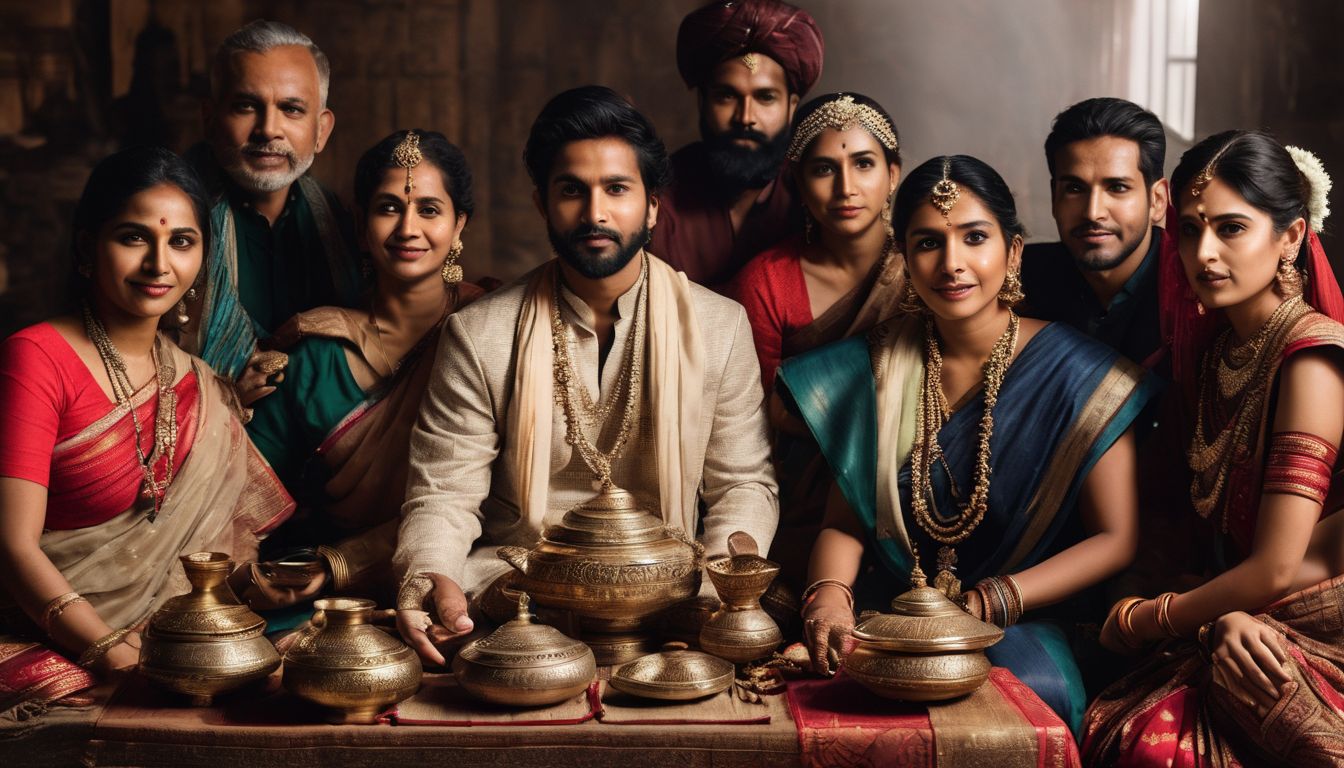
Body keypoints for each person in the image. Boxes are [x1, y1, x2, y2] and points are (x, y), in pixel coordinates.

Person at [391, 86, 778, 666]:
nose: (595, 213)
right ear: (542, 203)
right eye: (572, 190)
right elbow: (444, 494)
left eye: (617, 189)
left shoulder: (719, 327)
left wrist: (729, 575)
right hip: (520, 595)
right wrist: (429, 576)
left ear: (652, 207)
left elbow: (742, 484)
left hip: (670, 592)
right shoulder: (479, 335)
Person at [779, 155, 1153, 734]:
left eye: (975, 238)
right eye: (928, 243)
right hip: (891, 615)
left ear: (1015, 251)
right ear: (903, 257)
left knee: (1034, 691)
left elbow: (1116, 538)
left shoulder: (1081, 375)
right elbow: (845, 523)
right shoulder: (876, 368)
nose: (952, 264)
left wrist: (986, 604)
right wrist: (828, 597)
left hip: (1024, 617)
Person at [0, 147, 294, 715]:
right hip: (41, 633)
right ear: (88, 247)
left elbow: (197, 548)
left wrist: (252, 584)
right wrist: (109, 649)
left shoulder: (195, 380)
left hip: (160, 638)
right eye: (134, 237)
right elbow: (12, 547)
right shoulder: (35, 358)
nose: (160, 264)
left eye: (181, 242)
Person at [1083, 132, 1344, 766]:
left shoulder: (1312, 360)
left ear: (1289, 236)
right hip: (1234, 613)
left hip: (1316, 622)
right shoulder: (1208, 360)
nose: (1204, 253)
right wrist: (1204, 616)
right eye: (1191, 229)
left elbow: (1278, 568)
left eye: (1231, 229)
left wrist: (1151, 619)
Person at [246, 130, 485, 601]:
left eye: (429, 210)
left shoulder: (492, 332)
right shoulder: (312, 352)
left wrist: (347, 562)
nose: (407, 229)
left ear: (460, 225)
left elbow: (500, 498)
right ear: (360, 224)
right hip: (326, 597)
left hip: (464, 577)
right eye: (389, 208)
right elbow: (246, 501)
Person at [730, 91, 901, 586]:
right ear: (798, 184)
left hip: (912, 488)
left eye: (864, 164)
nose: (846, 187)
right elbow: (755, 415)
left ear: (892, 175)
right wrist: (857, 432)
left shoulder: (928, 267)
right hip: (797, 504)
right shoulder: (767, 281)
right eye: (824, 169)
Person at [181, 20, 362, 404]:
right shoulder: (165, 224)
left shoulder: (349, 226)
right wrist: (222, 398)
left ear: (321, 130)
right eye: (246, 106)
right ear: (210, 119)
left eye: (292, 109)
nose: (268, 129)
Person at [651, 0, 824, 288]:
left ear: (791, 107)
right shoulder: (660, 194)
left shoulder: (814, 196)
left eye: (765, 97)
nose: (745, 118)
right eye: (726, 96)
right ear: (703, 102)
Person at [1021, 97, 1169, 367]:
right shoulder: (1016, 279)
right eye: (1075, 189)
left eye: (1117, 188)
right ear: (1055, 197)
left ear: (1157, 200)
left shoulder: (1194, 290)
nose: (1092, 212)